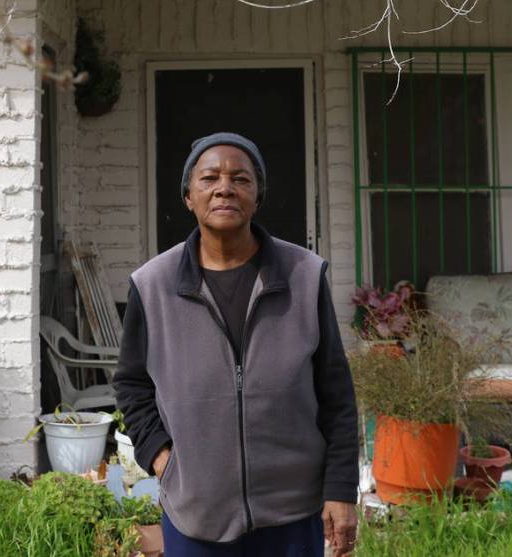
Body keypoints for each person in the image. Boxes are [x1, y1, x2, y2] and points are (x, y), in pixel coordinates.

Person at [113, 132, 359, 557]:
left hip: (291, 511)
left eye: (241, 179)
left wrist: (340, 488)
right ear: (188, 196)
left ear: (258, 196)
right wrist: (161, 458)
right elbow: (132, 385)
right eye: (209, 177)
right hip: (196, 515)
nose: (224, 187)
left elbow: (335, 392)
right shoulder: (152, 286)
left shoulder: (303, 275)